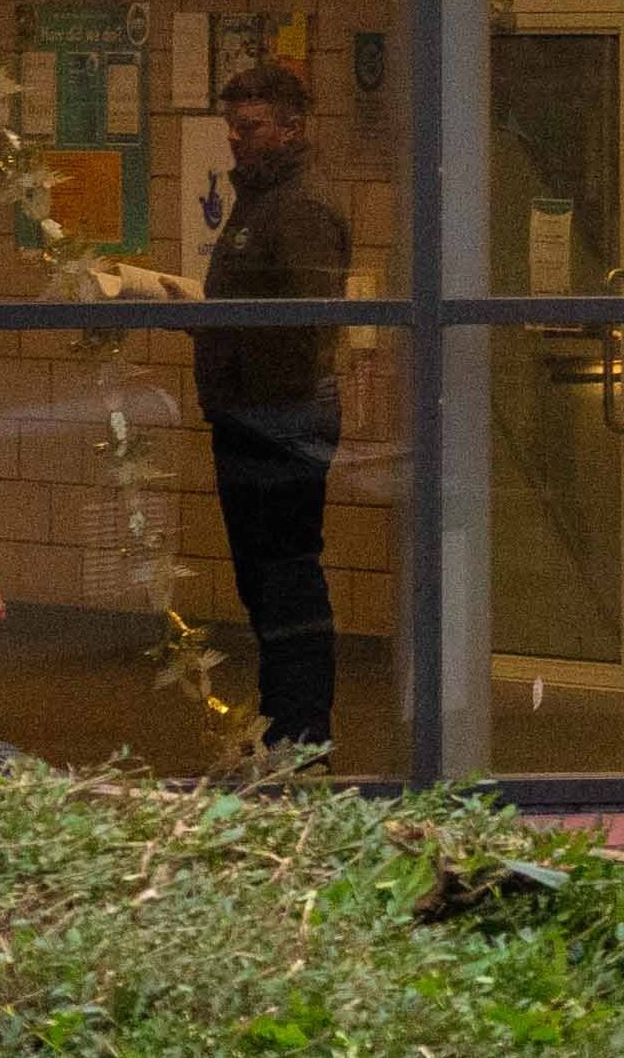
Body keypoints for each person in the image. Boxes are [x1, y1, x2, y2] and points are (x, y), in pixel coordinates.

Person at [196, 58, 352, 751]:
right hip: (250, 407)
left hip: (279, 414)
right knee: (262, 579)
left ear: (292, 127)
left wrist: (216, 325)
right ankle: (282, 722)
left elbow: (308, 320)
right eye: (231, 123)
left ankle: (300, 730)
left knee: (285, 577)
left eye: (249, 125)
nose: (234, 136)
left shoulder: (300, 204)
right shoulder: (260, 197)